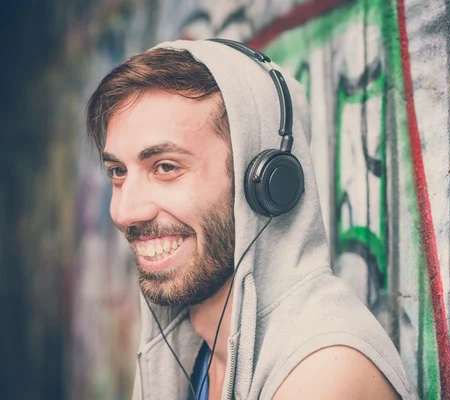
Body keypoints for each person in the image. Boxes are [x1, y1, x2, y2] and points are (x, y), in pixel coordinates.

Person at [86, 38, 414, 400]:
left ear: (266, 183)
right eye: (118, 171)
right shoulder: (199, 351)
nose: (125, 212)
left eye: (166, 167)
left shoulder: (324, 375)